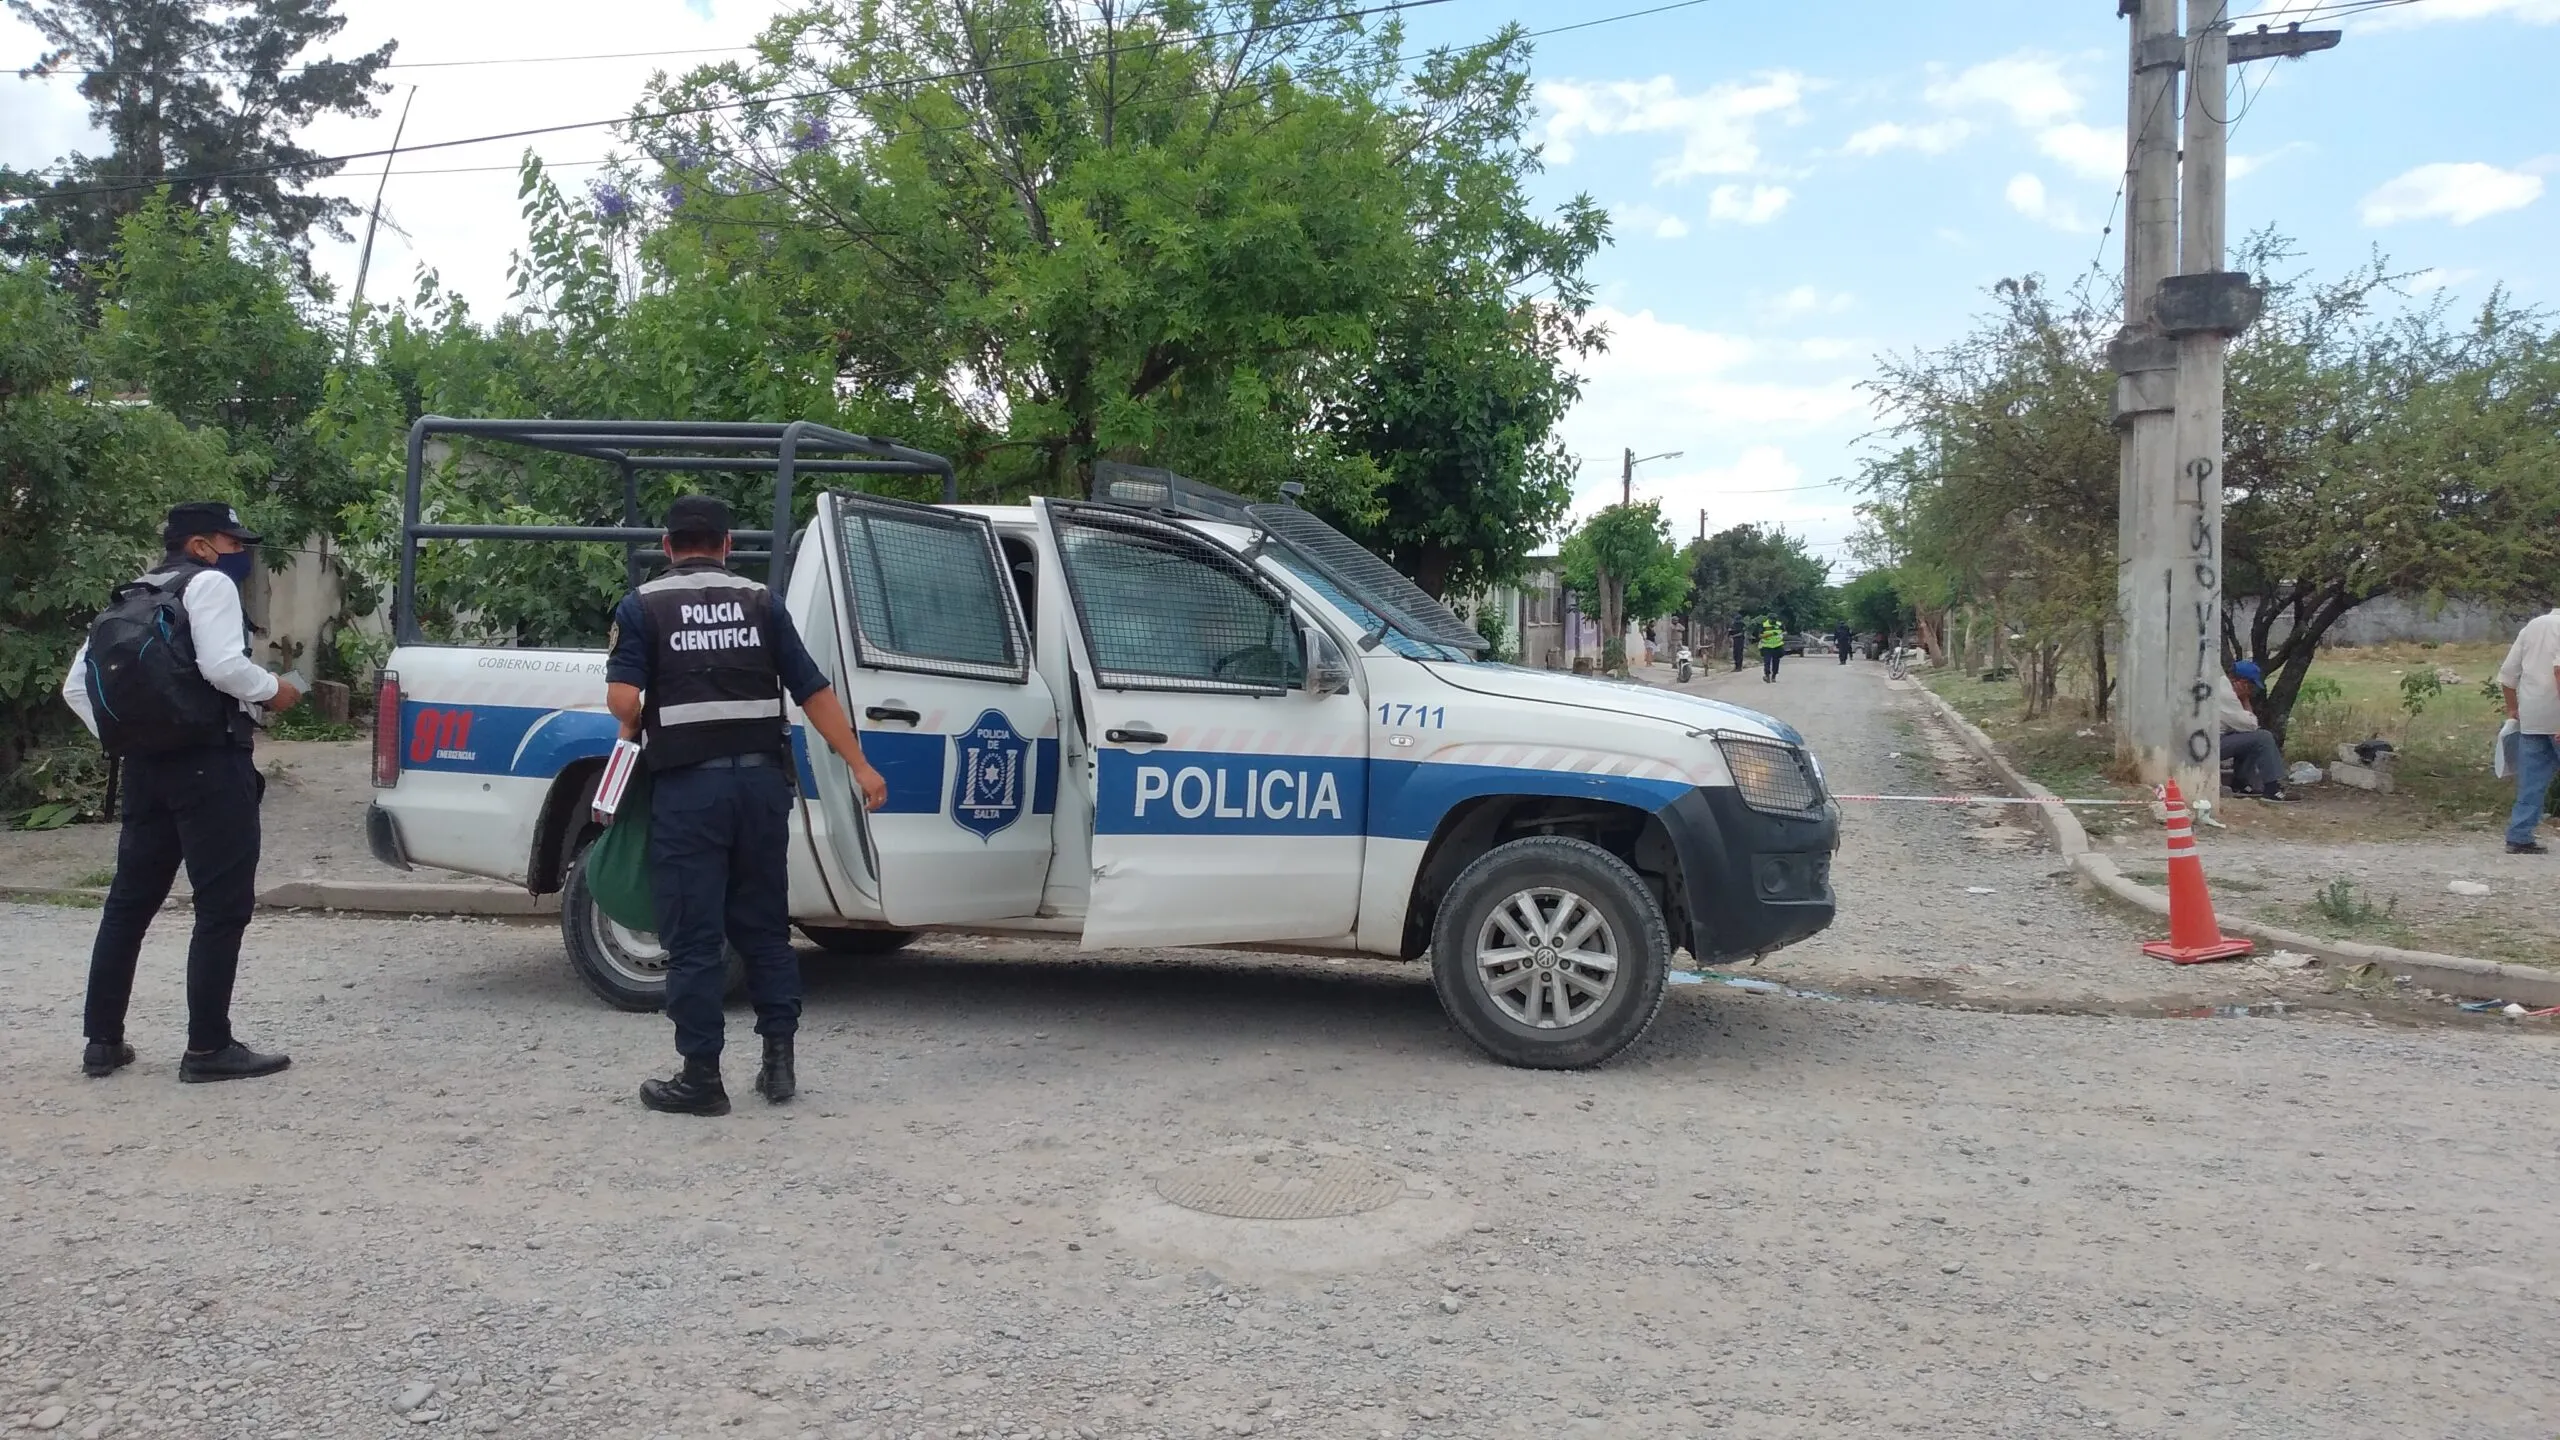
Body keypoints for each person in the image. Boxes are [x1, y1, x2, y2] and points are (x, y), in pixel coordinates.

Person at [606, 495, 890, 1115]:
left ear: (668, 542)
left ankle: (702, 1080)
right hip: (762, 790)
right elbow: (813, 692)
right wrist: (860, 766)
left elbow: (624, 704)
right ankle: (778, 1065)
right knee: (764, 928)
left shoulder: (643, 607)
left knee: (696, 936)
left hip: (690, 794)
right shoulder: (763, 603)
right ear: (728, 543)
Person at [59, 502, 303, 1082]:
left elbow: (75, 688)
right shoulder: (209, 584)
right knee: (221, 907)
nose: (239, 551)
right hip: (210, 766)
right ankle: (208, 1049)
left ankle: (102, 1042)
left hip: (146, 771)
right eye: (230, 539)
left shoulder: (133, 596)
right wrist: (274, 691)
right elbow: (222, 665)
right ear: (198, 545)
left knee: (128, 904)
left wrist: (136, 739)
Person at [2495, 603, 2560, 855]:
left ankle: (2519, 835)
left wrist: (2513, 709)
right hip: (2556, 715)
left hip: (2531, 717)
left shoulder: (2533, 626)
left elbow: (2507, 675)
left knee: (2532, 780)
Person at [2216, 661, 2288, 801]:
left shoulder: (2221, 684)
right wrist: (2244, 699)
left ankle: (2241, 783)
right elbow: (2252, 725)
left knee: (2247, 736)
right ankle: (2272, 790)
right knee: (2263, 738)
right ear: (2242, 683)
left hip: (2208, 741)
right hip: (2212, 745)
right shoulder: (2227, 695)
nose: (2251, 689)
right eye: (2251, 685)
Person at [1759, 616, 1786, 682]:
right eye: (1772, 620)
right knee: (1767, 661)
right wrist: (1770, 634)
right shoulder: (1764, 625)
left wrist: (1782, 635)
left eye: (1775, 620)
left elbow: (1785, 632)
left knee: (1776, 662)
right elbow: (1760, 635)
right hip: (1767, 646)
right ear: (1769, 619)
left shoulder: (1779, 624)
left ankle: (1774, 676)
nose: (1773, 622)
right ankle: (1767, 676)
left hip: (1777, 646)